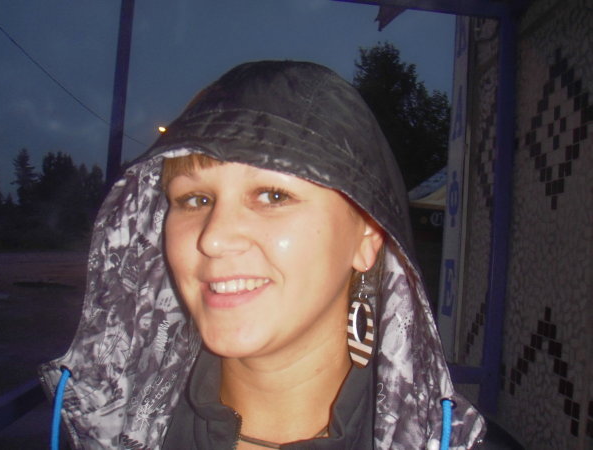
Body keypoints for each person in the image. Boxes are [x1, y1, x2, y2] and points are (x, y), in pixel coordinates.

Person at [40, 61, 485, 449]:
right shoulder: (103, 430)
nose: (214, 239)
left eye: (273, 195)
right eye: (195, 199)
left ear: (367, 236)